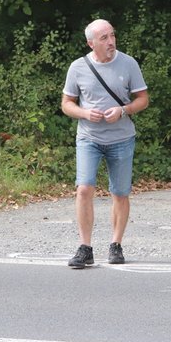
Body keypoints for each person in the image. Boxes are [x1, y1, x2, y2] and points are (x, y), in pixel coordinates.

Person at [61, 19, 149, 268]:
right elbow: (66, 104)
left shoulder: (128, 63)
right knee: (84, 188)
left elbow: (143, 99)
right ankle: (85, 247)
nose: (111, 42)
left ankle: (116, 244)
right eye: (104, 38)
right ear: (91, 43)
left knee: (120, 193)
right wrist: (85, 113)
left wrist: (123, 110)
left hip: (121, 138)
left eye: (112, 36)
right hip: (89, 137)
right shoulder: (78, 67)